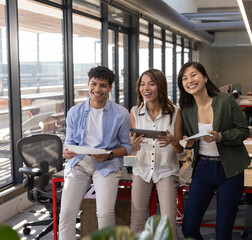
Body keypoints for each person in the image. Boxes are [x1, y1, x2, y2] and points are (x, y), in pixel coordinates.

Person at [178, 62, 251, 240]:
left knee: (223, 231)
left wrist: (220, 137)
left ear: (204, 78)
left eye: (193, 75)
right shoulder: (186, 110)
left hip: (230, 170)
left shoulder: (225, 101)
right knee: (188, 228)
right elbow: (188, 140)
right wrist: (186, 142)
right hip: (203, 168)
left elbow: (243, 131)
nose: (189, 80)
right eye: (184, 78)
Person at [59, 66, 132, 239]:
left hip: (107, 164)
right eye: (94, 84)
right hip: (79, 165)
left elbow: (127, 146)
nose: (97, 89)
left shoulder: (120, 114)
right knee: (66, 215)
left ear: (109, 88)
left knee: (105, 213)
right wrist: (67, 150)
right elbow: (69, 140)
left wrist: (111, 154)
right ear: (88, 83)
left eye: (103, 85)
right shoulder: (74, 112)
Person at [129, 69, 183, 239]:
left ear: (160, 87)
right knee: (136, 224)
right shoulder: (135, 112)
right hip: (142, 170)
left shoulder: (175, 111)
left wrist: (173, 141)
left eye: (151, 84)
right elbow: (134, 150)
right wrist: (134, 146)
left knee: (169, 225)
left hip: (166, 170)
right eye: (143, 84)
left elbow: (180, 150)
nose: (146, 88)